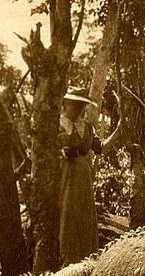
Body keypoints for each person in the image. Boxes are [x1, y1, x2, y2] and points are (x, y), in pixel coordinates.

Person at [58, 86, 101, 266]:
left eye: (80, 105)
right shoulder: (57, 124)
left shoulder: (88, 127)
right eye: (74, 104)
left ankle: (85, 261)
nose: (77, 108)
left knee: (84, 216)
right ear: (66, 104)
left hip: (83, 178)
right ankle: (66, 261)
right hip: (65, 177)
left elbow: (100, 148)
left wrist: (120, 130)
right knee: (67, 217)